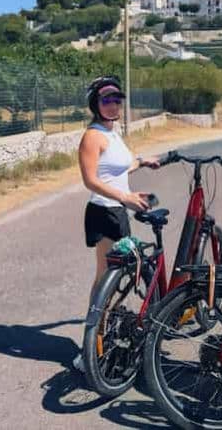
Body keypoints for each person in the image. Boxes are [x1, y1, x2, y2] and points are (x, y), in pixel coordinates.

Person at [74, 75, 159, 371]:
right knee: (105, 280)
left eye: (116, 100)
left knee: (112, 277)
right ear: (95, 104)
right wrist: (125, 196)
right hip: (104, 212)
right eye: (106, 100)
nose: (113, 105)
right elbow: (91, 180)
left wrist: (141, 162)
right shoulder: (93, 135)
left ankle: (99, 339)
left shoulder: (113, 133)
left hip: (117, 211)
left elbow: (116, 169)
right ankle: (91, 347)